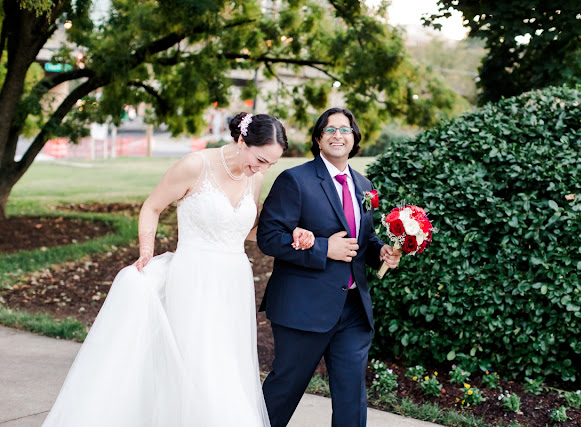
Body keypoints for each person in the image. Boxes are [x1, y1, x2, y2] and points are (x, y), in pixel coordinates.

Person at [43, 113, 314, 427]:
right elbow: (152, 206)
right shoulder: (195, 166)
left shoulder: (254, 177)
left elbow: (245, 229)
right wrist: (147, 251)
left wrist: (290, 233)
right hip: (194, 275)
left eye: (271, 164)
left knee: (224, 365)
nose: (263, 168)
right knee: (195, 362)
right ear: (242, 141)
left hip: (234, 282)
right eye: (261, 159)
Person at [257, 107, 401, 427]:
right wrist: (325, 248)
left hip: (352, 309)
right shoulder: (294, 179)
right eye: (330, 130)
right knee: (284, 390)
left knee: (352, 397)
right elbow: (268, 238)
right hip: (303, 307)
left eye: (345, 130)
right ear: (318, 139)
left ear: (355, 139)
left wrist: (382, 252)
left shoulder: (365, 186)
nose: (338, 135)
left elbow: (367, 237)